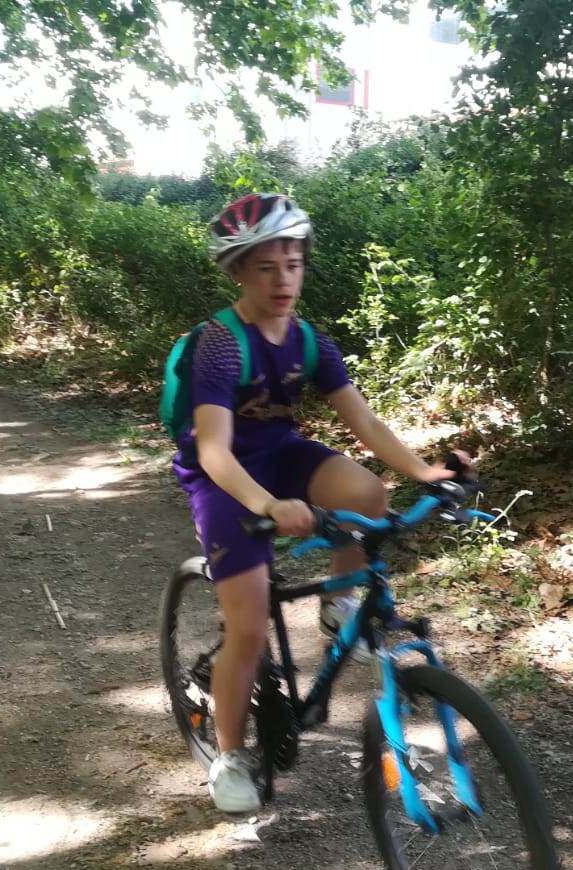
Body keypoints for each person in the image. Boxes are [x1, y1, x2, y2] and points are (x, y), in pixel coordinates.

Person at [173, 193, 468, 815]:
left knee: (368, 493)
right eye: (266, 268)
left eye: (293, 265)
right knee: (249, 626)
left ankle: (338, 606)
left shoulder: (309, 341)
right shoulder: (221, 345)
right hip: (225, 477)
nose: (283, 280)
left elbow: (365, 422)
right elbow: (216, 451)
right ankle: (230, 755)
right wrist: (269, 504)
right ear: (238, 272)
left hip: (281, 454)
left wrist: (426, 472)